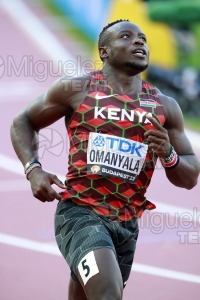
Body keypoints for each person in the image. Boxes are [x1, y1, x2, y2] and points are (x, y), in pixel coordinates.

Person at [10, 19, 200, 300]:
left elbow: (190, 177)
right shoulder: (78, 88)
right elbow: (23, 121)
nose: (139, 42)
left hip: (126, 223)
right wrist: (33, 169)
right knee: (107, 295)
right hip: (80, 213)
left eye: (143, 39)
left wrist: (168, 154)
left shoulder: (164, 106)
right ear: (104, 52)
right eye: (127, 36)